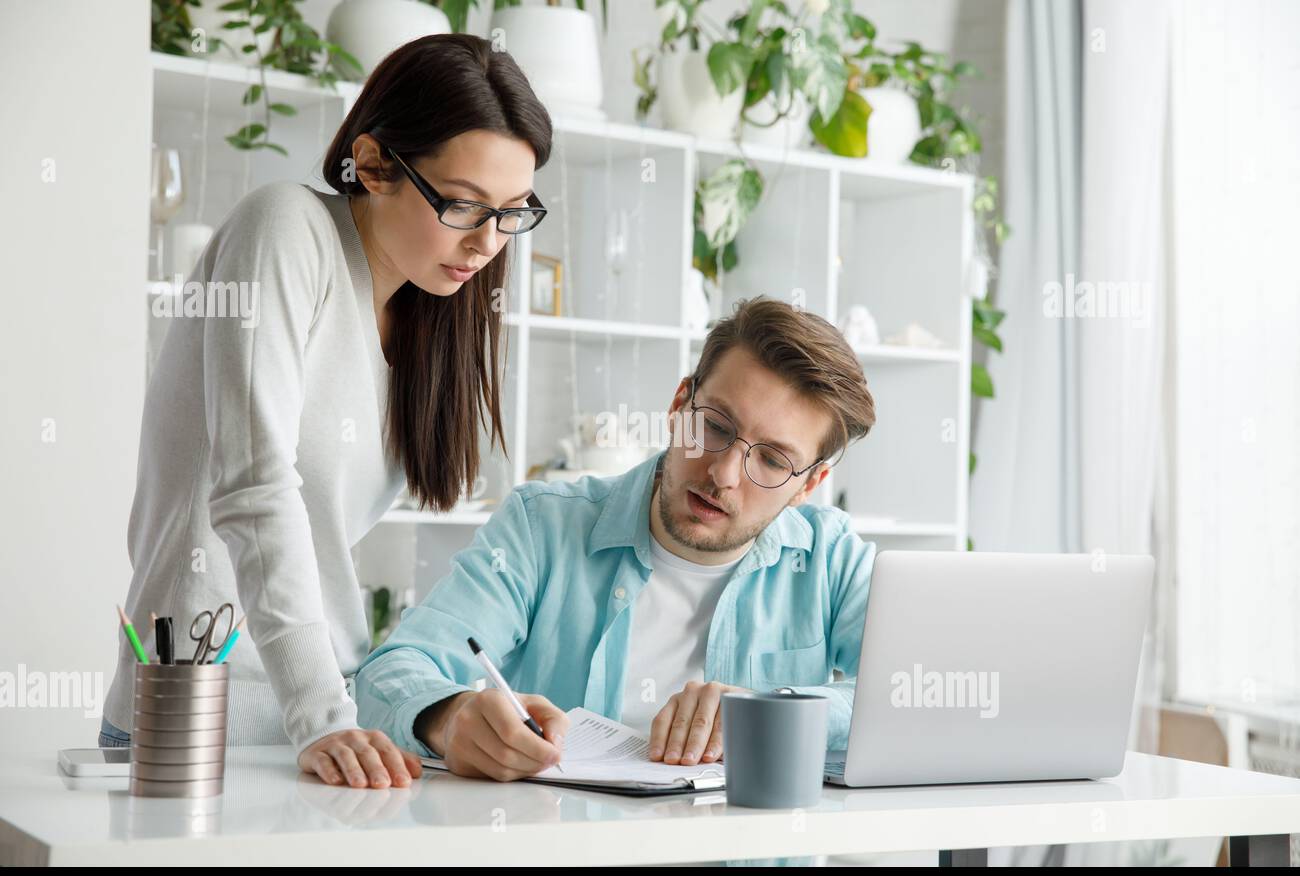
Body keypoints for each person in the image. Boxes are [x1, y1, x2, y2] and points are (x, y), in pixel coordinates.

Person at [101, 34, 552, 789]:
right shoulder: (284, 229)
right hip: (203, 721)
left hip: (334, 723)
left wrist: (389, 712)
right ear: (374, 164)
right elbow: (253, 485)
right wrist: (322, 715)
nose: (486, 242)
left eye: (511, 213)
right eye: (464, 204)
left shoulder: (429, 313)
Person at [355, 297, 878, 782]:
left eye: (771, 459)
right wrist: (448, 718)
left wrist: (778, 711)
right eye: (715, 425)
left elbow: (915, 696)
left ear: (807, 486)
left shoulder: (831, 558)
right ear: (679, 404)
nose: (723, 473)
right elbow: (391, 671)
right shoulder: (542, 528)